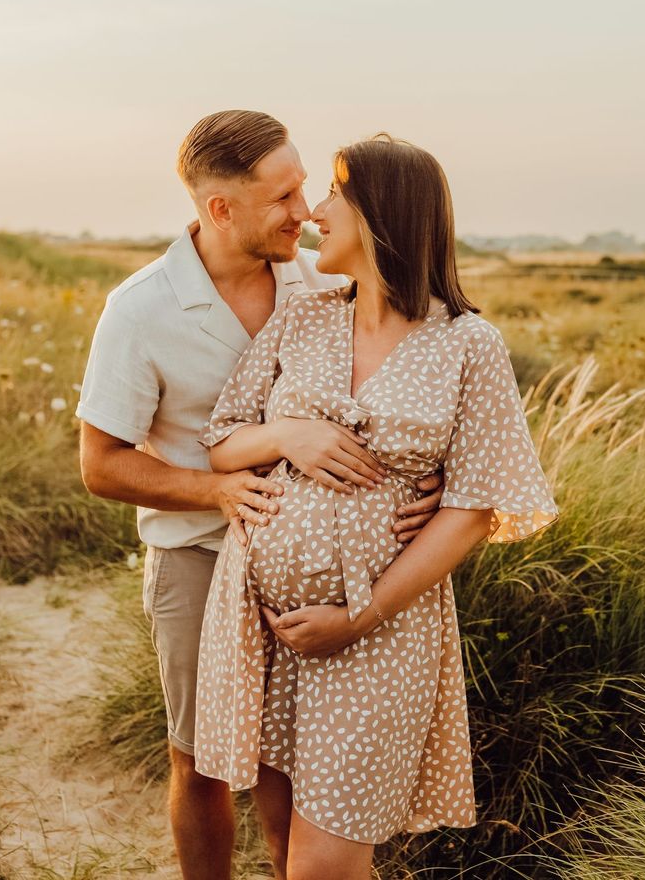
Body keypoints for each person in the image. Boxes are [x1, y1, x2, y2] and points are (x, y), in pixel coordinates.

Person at [76, 111, 445, 880]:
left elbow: (393, 387)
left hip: (327, 580)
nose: (305, 210)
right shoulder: (140, 309)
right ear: (220, 209)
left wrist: (430, 479)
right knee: (204, 762)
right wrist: (219, 489)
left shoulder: (321, 280)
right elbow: (101, 465)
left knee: (294, 770)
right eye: (283, 196)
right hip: (200, 562)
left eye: (305, 186)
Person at [192, 134, 559, 880]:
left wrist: (355, 618)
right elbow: (223, 442)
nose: (316, 214)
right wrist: (289, 435)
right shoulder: (305, 318)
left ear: (383, 216)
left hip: (377, 638)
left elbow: (472, 509)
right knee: (286, 842)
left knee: (323, 864)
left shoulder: (467, 345)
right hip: (262, 627)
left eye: (335, 194)